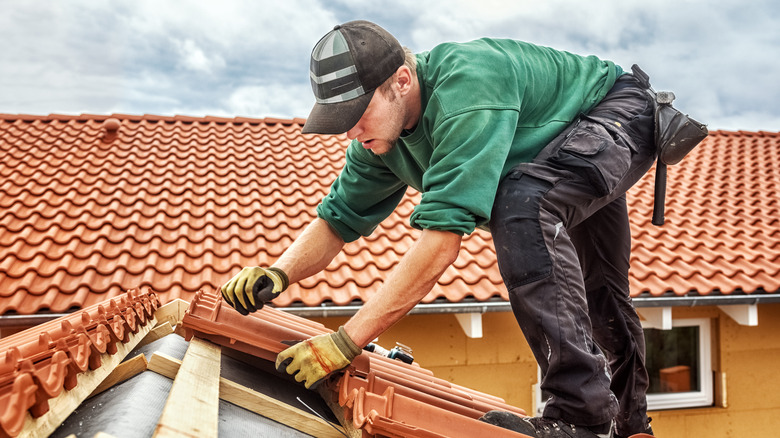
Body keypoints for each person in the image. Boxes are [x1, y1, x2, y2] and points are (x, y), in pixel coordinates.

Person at [221, 20, 657, 438]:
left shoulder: (466, 90)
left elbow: (441, 244)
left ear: (403, 80)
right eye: (342, 119)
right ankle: (629, 427)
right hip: (561, 146)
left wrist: (345, 341)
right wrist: (279, 272)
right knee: (600, 289)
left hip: (616, 111)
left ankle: (582, 415)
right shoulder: (378, 141)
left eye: (358, 112)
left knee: (522, 205)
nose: (353, 131)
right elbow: (336, 221)